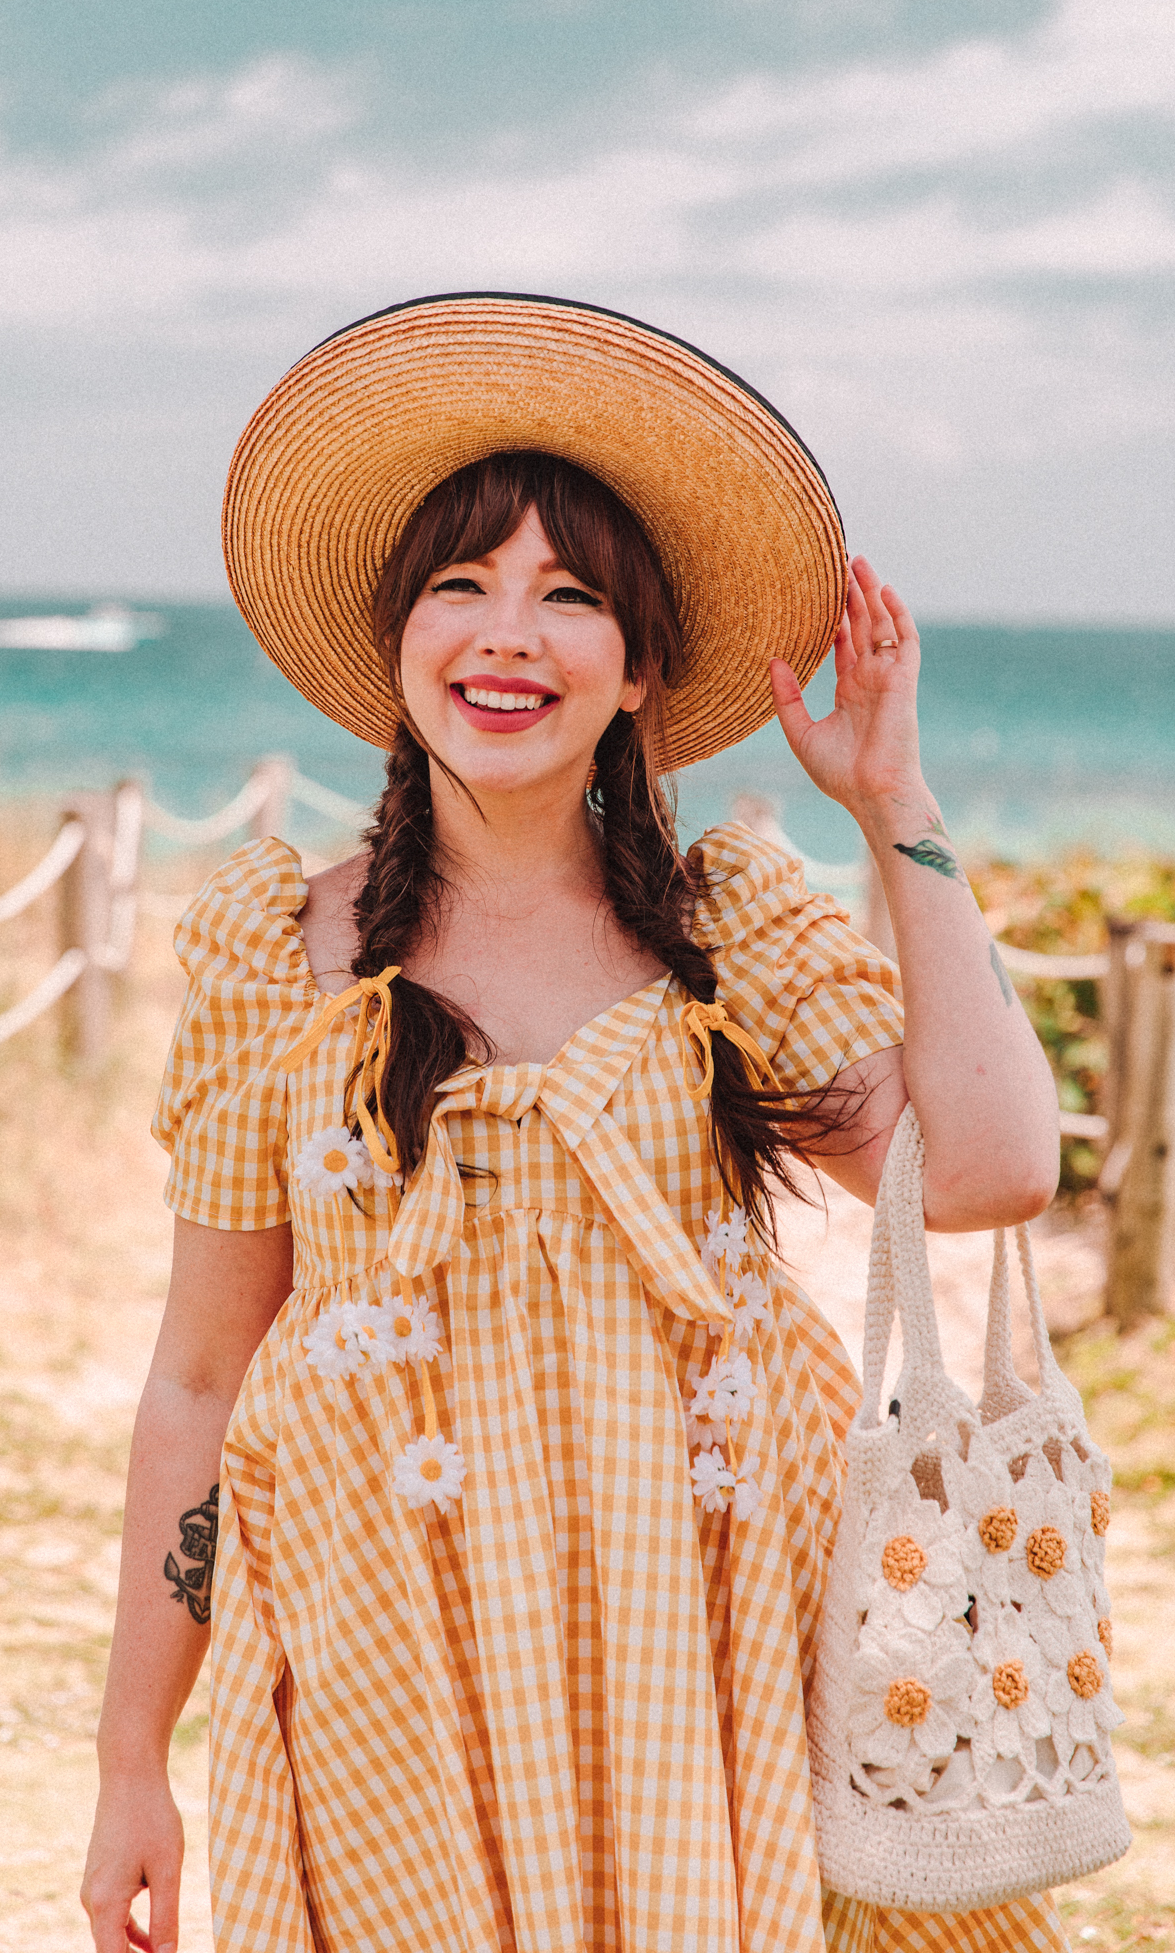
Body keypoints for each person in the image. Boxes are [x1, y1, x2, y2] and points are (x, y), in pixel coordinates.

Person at [82, 297, 1064, 1953]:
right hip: (387, 1660)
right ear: (400, 644)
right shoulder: (282, 956)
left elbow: (994, 1168)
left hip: (708, 1656)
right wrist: (131, 1765)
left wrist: (894, 805)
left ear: (640, 672)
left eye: (570, 597)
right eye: (460, 586)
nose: (506, 634)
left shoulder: (725, 933)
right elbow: (197, 1374)